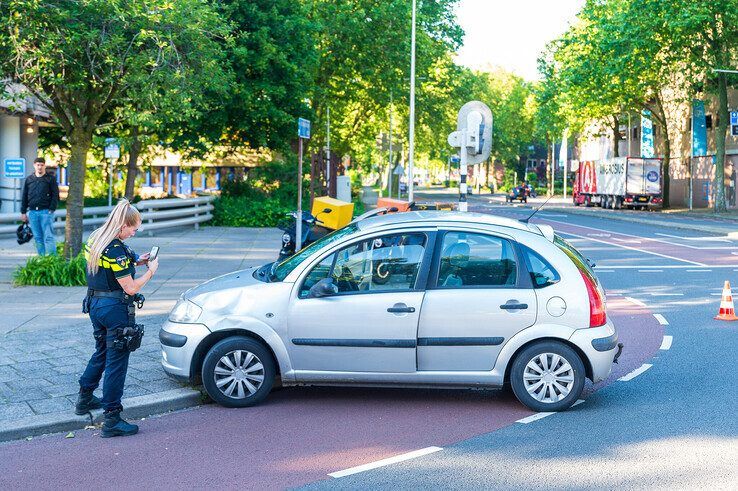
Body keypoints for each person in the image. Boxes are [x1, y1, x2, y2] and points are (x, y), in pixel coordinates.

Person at [76, 198, 159, 438]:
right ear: (122, 225)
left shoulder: (96, 238)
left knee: (101, 350)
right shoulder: (116, 249)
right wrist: (150, 271)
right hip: (115, 309)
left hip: (94, 304)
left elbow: (109, 266)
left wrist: (137, 259)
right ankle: (112, 418)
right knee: (117, 361)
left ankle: (85, 398)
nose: (135, 232)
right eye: (133, 228)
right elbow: (131, 288)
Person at [20, 157, 59, 255]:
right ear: (34, 166)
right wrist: (23, 212)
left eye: (42, 165)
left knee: (48, 237)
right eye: (38, 165)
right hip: (32, 213)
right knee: (38, 238)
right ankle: (42, 260)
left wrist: (51, 209)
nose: (40, 167)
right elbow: (24, 195)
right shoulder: (29, 179)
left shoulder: (50, 179)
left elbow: (55, 195)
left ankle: (52, 261)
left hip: (46, 212)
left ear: (44, 166)